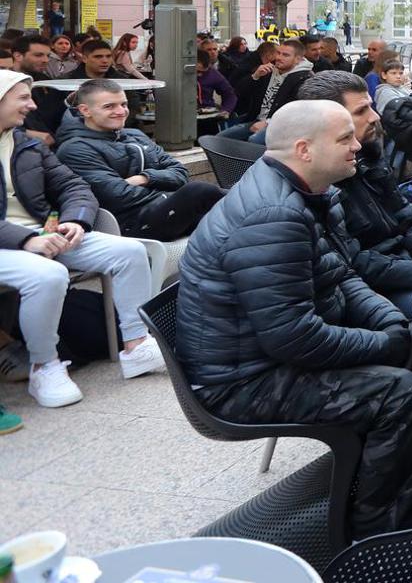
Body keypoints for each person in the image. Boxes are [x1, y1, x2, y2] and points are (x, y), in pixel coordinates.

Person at [178, 100, 412, 534]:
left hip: (270, 352)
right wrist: (387, 343)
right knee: (398, 392)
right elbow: (293, 338)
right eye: (344, 139)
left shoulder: (307, 193)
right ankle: (381, 533)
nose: (359, 144)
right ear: (304, 149)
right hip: (245, 381)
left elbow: (343, 275)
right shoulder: (273, 215)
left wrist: (391, 325)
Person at [296, 71, 412, 375]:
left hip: (402, 265)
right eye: (361, 111)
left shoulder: (369, 158)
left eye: (370, 106)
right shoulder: (320, 181)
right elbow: (354, 263)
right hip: (369, 287)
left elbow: (409, 220)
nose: (375, 117)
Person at [0, 69, 164, 407]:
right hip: (13, 243)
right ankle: (44, 366)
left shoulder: (24, 144)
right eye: (23, 98)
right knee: (49, 275)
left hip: (45, 234)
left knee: (129, 251)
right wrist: (25, 240)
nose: (32, 106)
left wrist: (76, 221)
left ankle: (136, 345)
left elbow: (74, 186)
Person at [55, 79, 226, 240]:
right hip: (129, 224)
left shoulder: (134, 135)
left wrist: (145, 178)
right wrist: (167, 190)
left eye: (124, 104)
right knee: (199, 192)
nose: (121, 111)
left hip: (166, 209)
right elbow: (118, 196)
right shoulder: (74, 149)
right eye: (109, 106)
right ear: (85, 110)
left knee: (232, 223)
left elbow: (180, 173)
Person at [220, 38, 314, 142]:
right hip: (256, 120)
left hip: (281, 127)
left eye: (285, 55)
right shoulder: (268, 70)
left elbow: (296, 112)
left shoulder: (304, 78)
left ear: (298, 59)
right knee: (220, 138)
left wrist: (268, 123)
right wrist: (255, 76)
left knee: (254, 140)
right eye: (278, 53)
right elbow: (238, 92)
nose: (279, 57)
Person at [15, 35, 66, 146]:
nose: (45, 60)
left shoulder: (47, 83)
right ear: (18, 56)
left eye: (47, 56)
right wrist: (25, 134)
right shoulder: (6, 85)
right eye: (38, 55)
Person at [196, 49, 237, 115]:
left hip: (206, 111)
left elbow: (229, 94)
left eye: (204, 72)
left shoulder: (212, 73)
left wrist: (226, 110)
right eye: (198, 72)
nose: (200, 75)